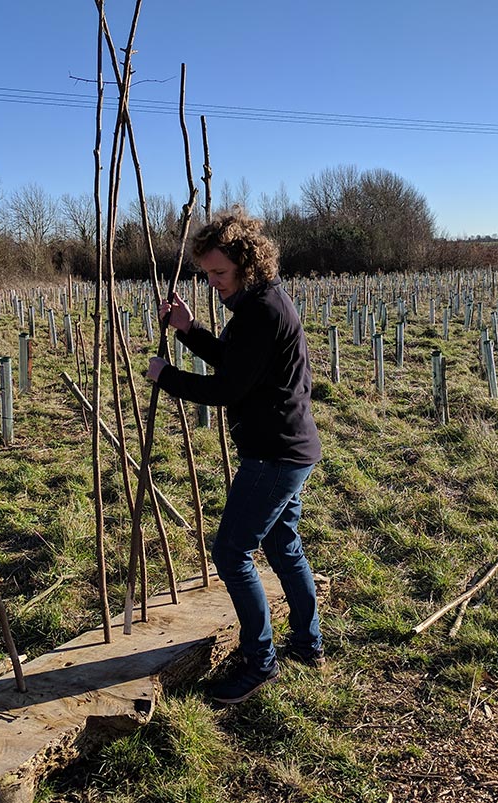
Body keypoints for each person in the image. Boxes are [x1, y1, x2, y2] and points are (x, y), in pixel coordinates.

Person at [146, 208, 324, 705]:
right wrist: (188, 329)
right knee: (284, 544)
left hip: (273, 455)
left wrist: (168, 376)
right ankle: (308, 643)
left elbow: (228, 387)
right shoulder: (260, 306)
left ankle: (259, 660)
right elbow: (238, 360)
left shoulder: (262, 310)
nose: (213, 283)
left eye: (219, 273)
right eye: (206, 274)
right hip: (289, 448)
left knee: (231, 552)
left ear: (248, 264)